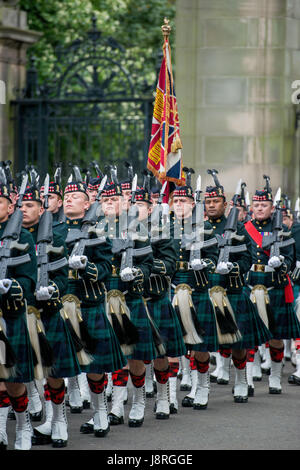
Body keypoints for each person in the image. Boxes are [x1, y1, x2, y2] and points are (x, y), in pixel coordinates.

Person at [20, 180, 82, 448]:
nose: (24, 209)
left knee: (53, 371)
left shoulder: (55, 234)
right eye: (20, 205)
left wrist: (52, 289)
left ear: (41, 208)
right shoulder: (10, 235)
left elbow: (64, 279)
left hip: (46, 311)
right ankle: (21, 425)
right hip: (17, 313)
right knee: (18, 373)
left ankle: (58, 420)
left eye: (30, 205)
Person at [63, 176, 126, 438]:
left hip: (87, 303)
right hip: (58, 305)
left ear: (88, 204)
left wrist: (87, 268)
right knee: (57, 367)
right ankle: (56, 421)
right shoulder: (54, 230)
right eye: (66, 197)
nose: (68, 199)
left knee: (95, 366)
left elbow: (103, 266)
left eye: (75, 196)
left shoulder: (98, 230)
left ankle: (101, 413)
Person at [204, 171, 271, 402]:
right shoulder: (200, 228)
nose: (212, 205)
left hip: (232, 290)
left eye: (216, 201)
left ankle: (242, 379)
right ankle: (200, 386)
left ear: (225, 204)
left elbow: (248, 258)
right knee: (201, 343)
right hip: (208, 292)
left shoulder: (239, 229)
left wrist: (232, 268)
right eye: (208, 202)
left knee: (238, 342)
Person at [98, 177, 156, 428]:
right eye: (105, 200)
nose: (109, 204)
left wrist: (137, 273)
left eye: (113, 199)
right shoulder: (95, 227)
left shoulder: (136, 227)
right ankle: (117, 405)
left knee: (134, 355)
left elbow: (148, 263)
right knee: (114, 353)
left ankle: (140, 400)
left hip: (130, 295)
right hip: (105, 294)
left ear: (124, 202)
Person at [243, 178, 300, 394]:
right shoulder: (244, 229)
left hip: (274, 286)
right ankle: (247, 378)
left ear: (271, 207)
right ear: (252, 208)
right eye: (256, 205)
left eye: (263, 205)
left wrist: (282, 263)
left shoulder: (282, 230)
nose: (259, 208)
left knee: (276, 337)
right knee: (249, 336)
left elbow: (290, 258)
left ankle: (275, 377)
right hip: (251, 285)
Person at [170, 170, 219, 410]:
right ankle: (174, 393)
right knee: (176, 343)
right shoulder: (166, 228)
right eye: (175, 201)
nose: (178, 204)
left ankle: (203, 386)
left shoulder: (205, 227)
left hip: (197, 287)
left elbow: (214, 258)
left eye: (183, 201)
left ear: (192, 204)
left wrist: (204, 265)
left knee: (199, 345)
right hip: (172, 288)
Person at [137, 183, 187, 418]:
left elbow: (170, 264)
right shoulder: (120, 231)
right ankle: (129, 404)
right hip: (131, 300)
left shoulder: (163, 230)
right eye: (132, 204)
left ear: (150, 208)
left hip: (155, 298)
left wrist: (146, 265)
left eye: (141, 205)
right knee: (132, 355)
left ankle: (164, 397)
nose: (135, 208)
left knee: (160, 355)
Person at [0, 179, 37, 450]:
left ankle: (24, 424)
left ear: (10, 205)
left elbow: (30, 280)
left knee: (13, 380)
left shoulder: (22, 236)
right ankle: (1, 429)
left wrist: (12, 286)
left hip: (9, 315)